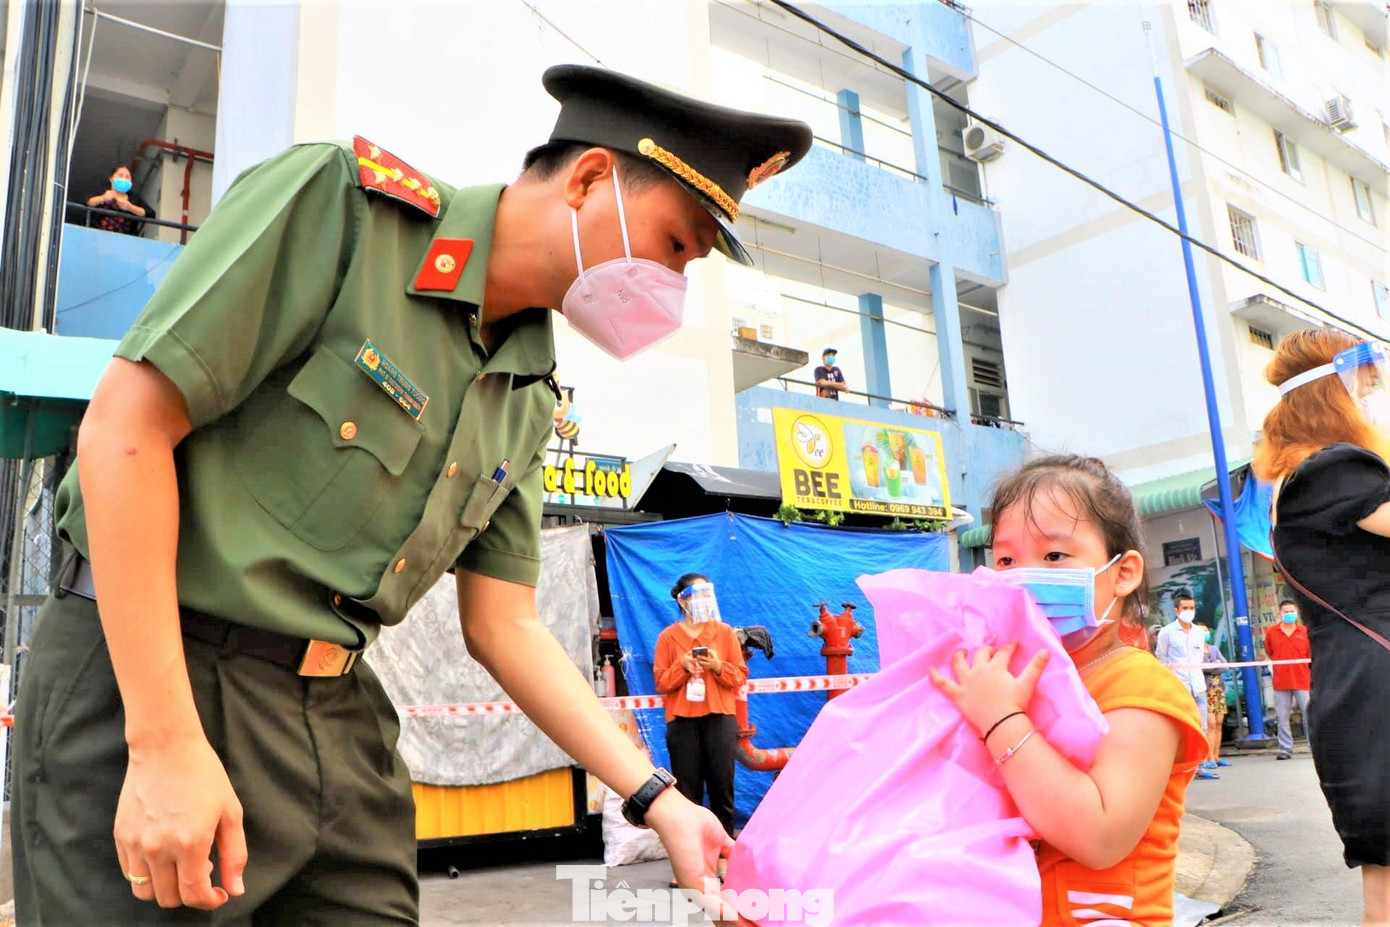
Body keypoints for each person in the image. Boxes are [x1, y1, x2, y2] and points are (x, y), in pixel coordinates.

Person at [10, 64, 812, 923]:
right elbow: (125, 430)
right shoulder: (343, 212)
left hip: (339, 713)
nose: (673, 287)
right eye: (677, 245)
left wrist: (661, 798)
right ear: (589, 180)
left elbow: (505, 625)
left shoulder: (528, 393)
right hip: (159, 677)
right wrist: (164, 743)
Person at [931, 456, 1208, 926]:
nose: (1023, 576)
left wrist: (999, 719)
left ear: (1123, 573)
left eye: (1054, 556)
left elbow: (1100, 838)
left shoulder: (1141, 686)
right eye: (1005, 560)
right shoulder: (1009, 677)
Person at [1255, 329, 1390, 924]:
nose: (1372, 396)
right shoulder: (1335, 469)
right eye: (1364, 385)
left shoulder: (1296, 481)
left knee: (1383, 895)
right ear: (1332, 395)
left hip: (1357, 683)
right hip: (1377, 685)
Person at [652, 574, 748, 840]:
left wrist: (717, 666)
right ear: (683, 602)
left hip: (720, 717)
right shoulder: (668, 637)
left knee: (722, 789)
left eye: (708, 594)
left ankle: (723, 855)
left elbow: (739, 675)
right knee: (686, 793)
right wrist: (682, 666)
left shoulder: (725, 632)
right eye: (698, 595)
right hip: (682, 721)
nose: (704, 600)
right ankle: (690, 859)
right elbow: (661, 681)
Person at [1155, 591, 1212, 777]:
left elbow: (1199, 660)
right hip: (1179, 688)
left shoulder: (1198, 633)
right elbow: (1161, 658)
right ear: (1176, 610)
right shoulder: (1167, 633)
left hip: (1198, 687)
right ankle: (1183, 764)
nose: (1189, 611)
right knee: (1183, 727)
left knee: (1202, 725)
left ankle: (1200, 765)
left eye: (1192, 608)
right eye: (1185, 608)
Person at [1264, 599, 1312, 761]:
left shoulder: (1304, 631)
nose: (1289, 614)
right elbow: (1270, 652)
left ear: (1297, 613)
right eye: (1286, 612)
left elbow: (1309, 655)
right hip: (1281, 681)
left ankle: (1313, 746)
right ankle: (1285, 749)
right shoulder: (1272, 632)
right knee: (1282, 716)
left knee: (1309, 714)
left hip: (1302, 680)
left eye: (1292, 611)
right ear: (1279, 613)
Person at [1196, 623, 1231, 772]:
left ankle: (1216, 756)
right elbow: (1201, 668)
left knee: (1218, 723)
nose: (1205, 633)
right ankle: (1208, 757)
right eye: (1201, 631)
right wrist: (1214, 665)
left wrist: (1213, 666)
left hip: (1218, 690)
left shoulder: (1214, 649)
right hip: (1206, 691)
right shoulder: (1195, 652)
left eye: (1206, 630)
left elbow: (1225, 666)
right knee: (1209, 724)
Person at [85, 164, 155, 236]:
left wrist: (130, 207)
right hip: (96, 235)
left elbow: (150, 214)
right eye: (120, 175)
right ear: (111, 179)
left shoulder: (135, 198)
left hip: (125, 240)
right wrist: (103, 198)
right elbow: (87, 202)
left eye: (127, 177)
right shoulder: (102, 191)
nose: (124, 179)